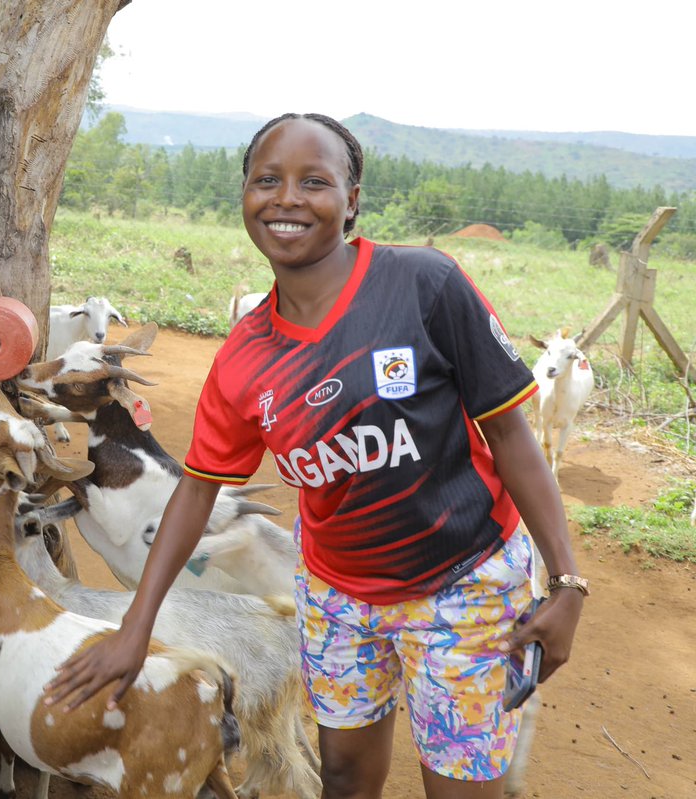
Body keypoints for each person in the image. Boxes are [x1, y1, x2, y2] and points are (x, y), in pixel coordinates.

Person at [44, 113, 586, 798]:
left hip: (461, 583)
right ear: (243, 193)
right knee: (343, 777)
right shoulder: (246, 356)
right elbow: (196, 489)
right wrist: (135, 625)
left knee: (459, 787)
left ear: (351, 199)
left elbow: (512, 437)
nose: (287, 198)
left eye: (314, 181)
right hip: (337, 595)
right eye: (267, 180)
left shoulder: (424, 286)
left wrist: (567, 583)